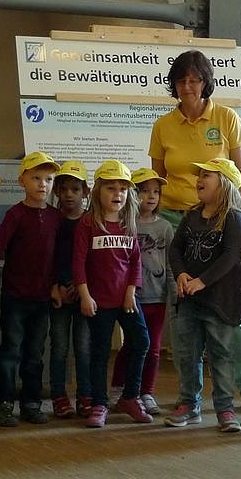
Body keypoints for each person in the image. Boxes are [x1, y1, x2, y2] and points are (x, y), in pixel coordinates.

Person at [148, 49, 241, 415]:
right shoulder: (163, 125)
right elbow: (156, 179)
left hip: (220, 219)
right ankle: (190, 396)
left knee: (228, 309)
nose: (187, 86)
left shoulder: (226, 117)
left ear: (205, 82)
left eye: (194, 80)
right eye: (181, 80)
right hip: (175, 221)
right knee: (183, 309)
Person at [0, 151, 62, 427]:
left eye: (49, 179)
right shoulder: (15, 215)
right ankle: (3, 403)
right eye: (36, 178)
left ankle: (31, 402)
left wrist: (56, 285)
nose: (43, 184)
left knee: (35, 353)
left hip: (42, 299)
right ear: (22, 181)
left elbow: (59, 257)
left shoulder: (56, 217)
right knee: (10, 351)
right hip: (15, 297)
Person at [164, 158, 241, 432]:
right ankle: (189, 403)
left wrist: (203, 281)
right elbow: (175, 248)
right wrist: (180, 274)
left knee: (221, 354)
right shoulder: (191, 215)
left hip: (219, 300)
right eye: (199, 175)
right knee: (187, 353)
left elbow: (230, 256)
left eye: (206, 175)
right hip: (189, 298)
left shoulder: (234, 218)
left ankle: (225, 408)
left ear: (224, 183)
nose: (199, 179)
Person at [73, 160, 151, 428]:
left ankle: (130, 397)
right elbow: (78, 263)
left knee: (141, 341)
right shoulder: (87, 223)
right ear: (98, 192)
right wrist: (84, 295)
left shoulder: (129, 224)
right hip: (99, 301)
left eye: (123, 189)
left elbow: (135, 262)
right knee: (100, 351)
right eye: (111, 188)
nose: (118, 194)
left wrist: (131, 291)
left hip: (126, 299)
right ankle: (99, 403)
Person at [111, 168, 174, 415]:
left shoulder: (165, 227)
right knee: (132, 344)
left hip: (157, 297)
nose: (151, 196)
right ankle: (119, 389)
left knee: (154, 347)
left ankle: (147, 392)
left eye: (155, 192)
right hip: (131, 297)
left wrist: (172, 293)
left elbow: (170, 263)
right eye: (144, 191)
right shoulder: (125, 224)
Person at [48, 160, 92, 419]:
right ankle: (59, 396)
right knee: (59, 347)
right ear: (56, 191)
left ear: (85, 192)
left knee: (84, 348)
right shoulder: (53, 221)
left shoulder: (91, 221)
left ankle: (85, 395)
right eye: (63, 189)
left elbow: (95, 261)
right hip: (59, 296)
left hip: (84, 294)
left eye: (75, 189)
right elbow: (48, 258)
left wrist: (82, 287)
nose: (68, 195)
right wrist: (55, 286)